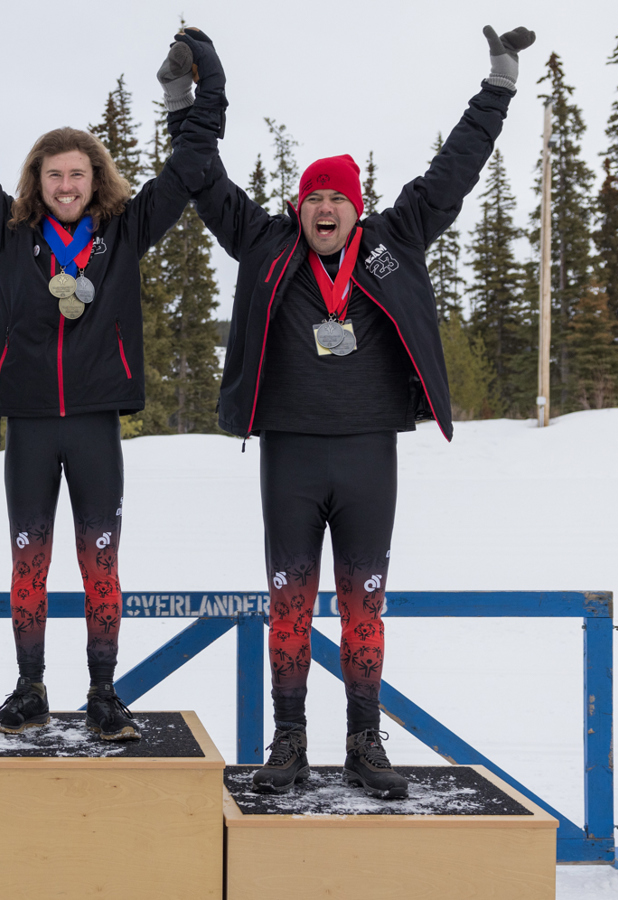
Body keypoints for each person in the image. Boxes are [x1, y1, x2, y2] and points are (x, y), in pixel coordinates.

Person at [177, 26, 535, 798]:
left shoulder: (395, 240)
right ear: (300, 209)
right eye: (314, 198)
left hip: (370, 453)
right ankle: (288, 743)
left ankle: (365, 743)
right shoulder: (267, 244)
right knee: (289, 603)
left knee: (364, 602)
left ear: (357, 207)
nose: (325, 208)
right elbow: (203, 180)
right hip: (291, 457)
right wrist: (188, 98)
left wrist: (498, 85)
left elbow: (454, 170)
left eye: (338, 196)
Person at [0, 42, 221, 740]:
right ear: (38, 179)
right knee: (28, 561)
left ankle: (102, 694)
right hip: (31, 426)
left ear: (98, 179)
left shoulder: (127, 232)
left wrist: (205, 85)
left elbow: (190, 166)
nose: (67, 185)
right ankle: (30, 688)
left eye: (79, 174)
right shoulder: (9, 234)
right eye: (54, 174)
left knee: (101, 564)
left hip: (95, 426)